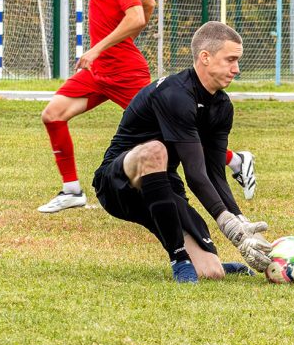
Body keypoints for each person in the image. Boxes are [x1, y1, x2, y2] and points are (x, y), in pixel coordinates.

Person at [38, 0, 256, 213]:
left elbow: (137, 16)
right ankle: (72, 190)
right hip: (100, 71)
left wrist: (99, 47)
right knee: (52, 115)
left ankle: (234, 160)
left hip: (124, 71)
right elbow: (148, 2)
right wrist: (111, 46)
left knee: (168, 132)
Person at [92, 21, 272, 283]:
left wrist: (242, 224)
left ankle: (198, 257)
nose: (237, 69)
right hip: (118, 182)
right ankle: (178, 257)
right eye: (230, 60)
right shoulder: (175, 94)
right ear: (205, 57)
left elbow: (213, 174)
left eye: (238, 61)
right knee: (155, 150)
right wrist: (230, 228)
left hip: (163, 187)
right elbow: (195, 175)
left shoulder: (222, 107)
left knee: (212, 272)